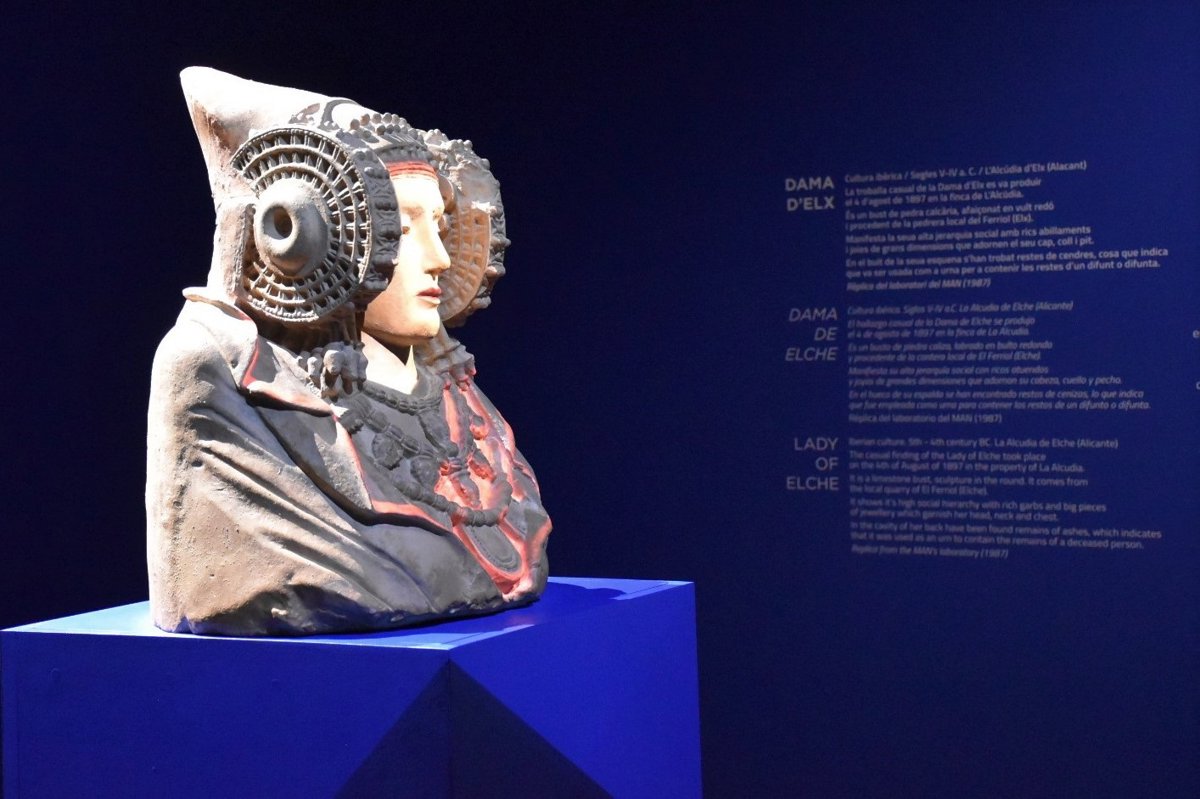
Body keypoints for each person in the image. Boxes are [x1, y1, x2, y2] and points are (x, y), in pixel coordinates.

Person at [146, 68, 549, 636]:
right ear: (309, 240)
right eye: (401, 230)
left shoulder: (446, 386)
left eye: (439, 225)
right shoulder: (219, 369)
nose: (438, 258)